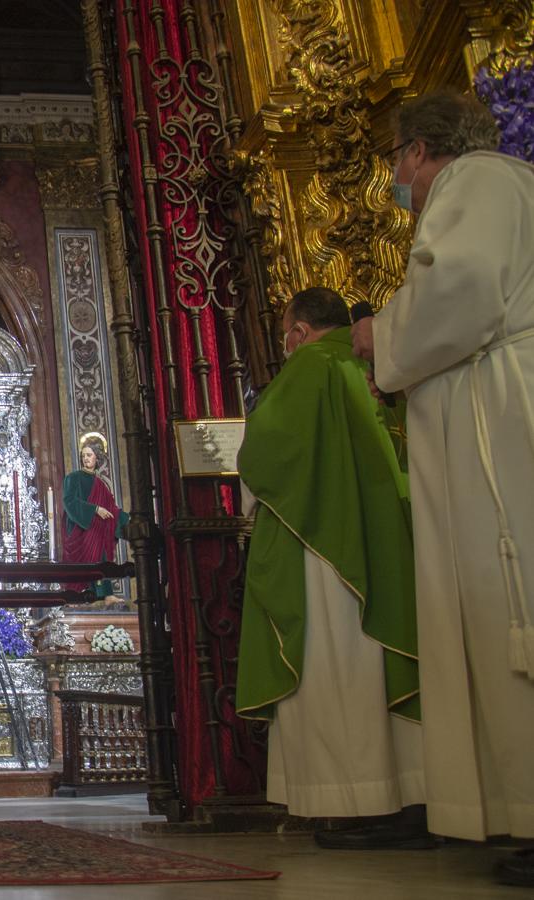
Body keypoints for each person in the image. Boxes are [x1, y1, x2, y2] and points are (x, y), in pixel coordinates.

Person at [351, 91, 534, 885]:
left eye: (397, 158)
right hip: (487, 404)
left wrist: (377, 335)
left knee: (510, 597)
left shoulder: (482, 178)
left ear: (424, 150)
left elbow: (458, 288)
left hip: (502, 418)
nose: (396, 177)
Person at [238, 287, 426, 844]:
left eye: (284, 337)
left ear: (298, 333)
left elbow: (263, 454)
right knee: (385, 663)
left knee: (337, 668)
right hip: (387, 543)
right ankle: (416, 797)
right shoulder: (378, 367)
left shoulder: (310, 367)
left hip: (323, 549)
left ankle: (358, 803)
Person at [61, 437, 127, 598]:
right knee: (86, 563)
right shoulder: (73, 478)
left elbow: (110, 508)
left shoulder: (100, 483)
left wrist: (127, 521)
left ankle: (105, 594)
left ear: (97, 458)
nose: (86, 458)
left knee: (101, 558)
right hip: (80, 529)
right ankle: (83, 593)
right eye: (84, 455)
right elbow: (69, 501)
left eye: (89, 455)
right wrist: (95, 509)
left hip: (97, 529)